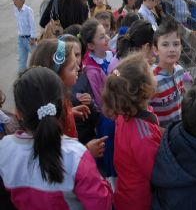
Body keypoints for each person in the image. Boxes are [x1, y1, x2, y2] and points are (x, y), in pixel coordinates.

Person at [0, 66, 112, 209]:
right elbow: (102, 204)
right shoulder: (75, 154)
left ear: (18, 113)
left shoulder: (4, 148)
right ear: (63, 107)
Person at [103, 53, 162, 210]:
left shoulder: (124, 116)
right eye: (150, 70)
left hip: (125, 194)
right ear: (144, 88)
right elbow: (157, 173)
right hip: (141, 202)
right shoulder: (143, 134)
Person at [80, 19, 116, 179]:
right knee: (110, 151)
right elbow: (100, 103)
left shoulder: (112, 54)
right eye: (101, 37)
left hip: (118, 110)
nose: (107, 38)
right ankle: (110, 177)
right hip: (107, 117)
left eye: (106, 34)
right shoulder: (91, 69)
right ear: (90, 45)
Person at [59, 34, 100, 147]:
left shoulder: (83, 77)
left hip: (86, 138)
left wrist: (90, 103)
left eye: (77, 55)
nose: (75, 60)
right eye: (70, 55)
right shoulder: (54, 89)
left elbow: (95, 115)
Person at [149, 18, 185, 128]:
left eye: (176, 44)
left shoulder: (179, 70)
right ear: (155, 49)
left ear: (181, 47)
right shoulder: (151, 79)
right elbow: (145, 115)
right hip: (161, 137)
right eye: (165, 45)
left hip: (178, 130)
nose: (172, 49)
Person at [12, 0, 37, 73]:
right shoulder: (16, 10)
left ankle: (40, 75)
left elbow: (32, 24)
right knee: (21, 60)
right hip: (21, 39)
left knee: (35, 58)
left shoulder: (28, 10)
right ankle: (21, 79)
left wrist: (33, 37)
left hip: (29, 39)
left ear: (22, 0)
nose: (14, 2)